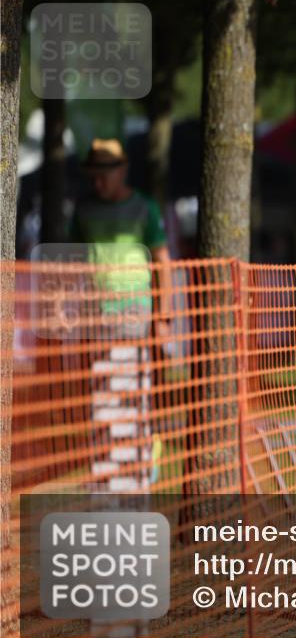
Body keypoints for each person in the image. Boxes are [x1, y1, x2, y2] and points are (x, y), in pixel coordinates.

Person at [68, 138, 173, 489]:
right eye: (92, 176)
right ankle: (107, 473)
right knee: (101, 396)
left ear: (122, 171)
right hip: (97, 316)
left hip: (134, 313)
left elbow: (162, 262)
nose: (97, 183)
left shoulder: (144, 209)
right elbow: (75, 263)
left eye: (103, 175)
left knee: (130, 392)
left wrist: (164, 318)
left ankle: (139, 462)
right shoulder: (84, 211)